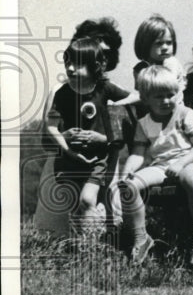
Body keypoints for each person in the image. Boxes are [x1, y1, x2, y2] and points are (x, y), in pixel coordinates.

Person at [41, 37, 132, 239]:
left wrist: (112, 117)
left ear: (96, 66)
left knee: (88, 198)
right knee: (76, 204)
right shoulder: (62, 94)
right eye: (68, 62)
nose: (71, 68)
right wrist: (68, 149)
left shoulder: (105, 89)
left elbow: (135, 98)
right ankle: (82, 245)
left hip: (97, 160)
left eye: (78, 63)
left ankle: (93, 246)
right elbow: (50, 127)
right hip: (68, 160)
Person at [119, 66, 193, 265]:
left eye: (170, 95)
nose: (166, 101)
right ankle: (141, 238)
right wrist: (127, 171)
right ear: (145, 98)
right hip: (161, 166)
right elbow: (138, 153)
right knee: (129, 186)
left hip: (190, 162)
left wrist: (181, 163)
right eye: (159, 97)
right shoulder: (144, 123)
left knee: (192, 178)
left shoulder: (185, 114)